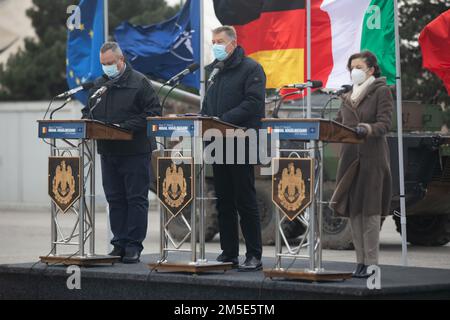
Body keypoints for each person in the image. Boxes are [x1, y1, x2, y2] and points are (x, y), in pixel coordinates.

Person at [82, 42, 161, 263]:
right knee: (115, 199)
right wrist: (85, 122)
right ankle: (119, 243)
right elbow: (88, 111)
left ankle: (134, 246)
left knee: (135, 199)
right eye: (103, 64)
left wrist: (124, 126)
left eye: (109, 63)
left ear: (121, 61)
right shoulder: (99, 85)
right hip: (108, 151)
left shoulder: (140, 82)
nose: (106, 68)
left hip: (135, 150)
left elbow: (153, 113)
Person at [201, 26, 266, 271]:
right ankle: (229, 253)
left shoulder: (251, 68)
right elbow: (208, 103)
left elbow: (253, 103)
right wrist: (203, 119)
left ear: (232, 43)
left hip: (241, 141)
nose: (215, 45)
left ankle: (254, 254)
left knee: (245, 200)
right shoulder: (214, 71)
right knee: (224, 201)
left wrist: (221, 121)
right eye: (213, 41)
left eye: (219, 41)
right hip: (217, 143)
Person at [331, 51, 393, 278]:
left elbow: (385, 124)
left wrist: (366, 129)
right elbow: (339, 123)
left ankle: (372, 263)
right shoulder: (346, 95)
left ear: (371, 70)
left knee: (370, 212)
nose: (354, 71)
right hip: (349, 159)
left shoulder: (381, 91)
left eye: (358, 67)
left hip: (372, 158)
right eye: (351, 67)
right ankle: (360, 262)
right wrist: (326, 130)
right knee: (354, 211)